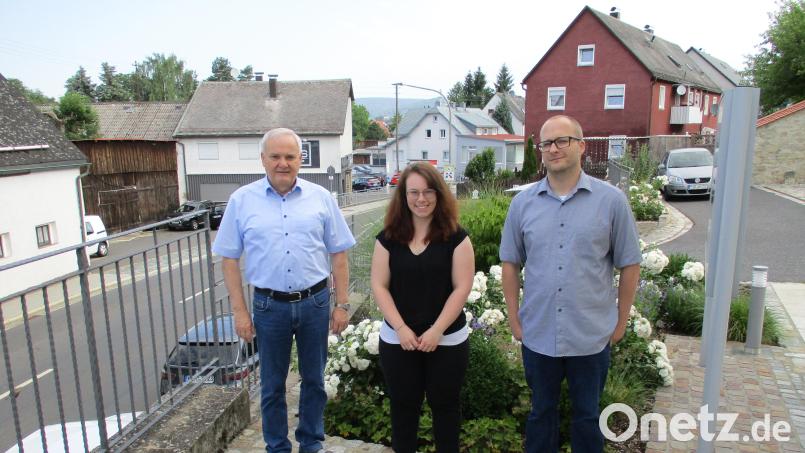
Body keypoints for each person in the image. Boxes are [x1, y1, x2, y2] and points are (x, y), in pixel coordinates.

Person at [499, 115, 641, 453]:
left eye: (562, 141)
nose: (553, 149)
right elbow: (510, 263)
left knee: (587, 418)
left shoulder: (611, 201)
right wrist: (514, 319)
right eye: (546, 143)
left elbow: (630, 263)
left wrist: (621, 321)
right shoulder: (523, 204)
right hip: (539, 334)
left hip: (590, 337)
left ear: (581, 146)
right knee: (541, 415)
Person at [213, 128, 356, 453]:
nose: (282, 163)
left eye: (289, 156)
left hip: (315, 303)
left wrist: (342, 304)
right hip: (269, 307)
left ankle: (311, 443)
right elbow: (229, 259)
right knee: (272, 385)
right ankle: (277, 446)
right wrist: (239, 311)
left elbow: (339, 253)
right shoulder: (242, 200)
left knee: (315, 381)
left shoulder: (320, 198)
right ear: (263, 159)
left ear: (300, 160)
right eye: (275, 156)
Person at [370, 162, 474, 453]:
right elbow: (379, 286)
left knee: (446, 410)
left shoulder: (457, 238)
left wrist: (437, 330)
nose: (421, 199)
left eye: (428, 191)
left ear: (439, 194)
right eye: (413, 192)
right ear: (403, 196)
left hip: (448, 340)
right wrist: (401, 329)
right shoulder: (388, 238)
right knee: (403, 411)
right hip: (398, 341)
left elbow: (461, 287)